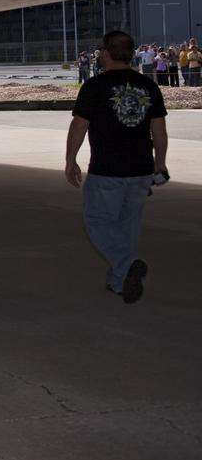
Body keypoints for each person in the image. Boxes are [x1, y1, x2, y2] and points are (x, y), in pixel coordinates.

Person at [64, 30, 167, 304]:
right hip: (141, 169)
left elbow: (80, 125)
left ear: (106, 53)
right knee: (127, 227)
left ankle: (128, 262)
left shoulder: (95, 86)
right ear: (131, 54)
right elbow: (159, 131)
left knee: (97, 222)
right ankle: (119, 282)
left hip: (107, 169)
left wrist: (70, 159)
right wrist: (160, 164)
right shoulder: (149, 86)